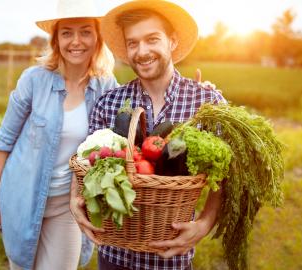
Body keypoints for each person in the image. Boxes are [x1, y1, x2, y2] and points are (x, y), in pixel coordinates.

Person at [69, 0, 227, 269]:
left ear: (172, 41)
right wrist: (75, 197)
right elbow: (86, 162)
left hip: (172, 257)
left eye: (152, 39)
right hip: (115, 254)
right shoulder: (109, 102)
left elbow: (224, 176)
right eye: (133, 43)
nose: (142, 52)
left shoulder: (207, 102)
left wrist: (206, 221)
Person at [0, 0, 118, 269]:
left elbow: (136, 114)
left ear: (97, 38)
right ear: (56, 39)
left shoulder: (107, 86)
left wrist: (191, 90)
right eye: (66, 32)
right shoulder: (34, 80)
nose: (75, 41)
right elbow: (4, 140)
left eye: (85, 31)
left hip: (69, 206)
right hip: (22, 197)